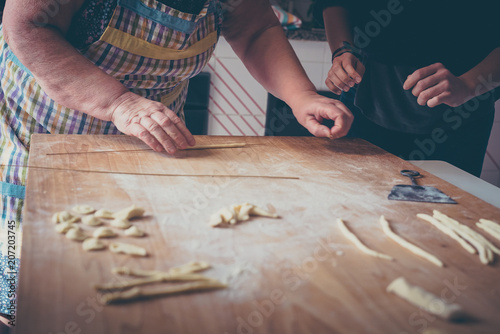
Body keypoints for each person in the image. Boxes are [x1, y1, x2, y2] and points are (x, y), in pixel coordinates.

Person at [0, 0, 354, 326]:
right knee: (34, 290)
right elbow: (28, 26)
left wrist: (301, 95)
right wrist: (119, 104)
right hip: (42, 136)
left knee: (137, 268)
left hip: (149, 140)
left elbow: (255, 30)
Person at [318, 0, 500, 176]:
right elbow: (336, 2)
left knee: (457, 204)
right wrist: (342, 51)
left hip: (462, 116)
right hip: (365, 100)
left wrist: (468, 85)